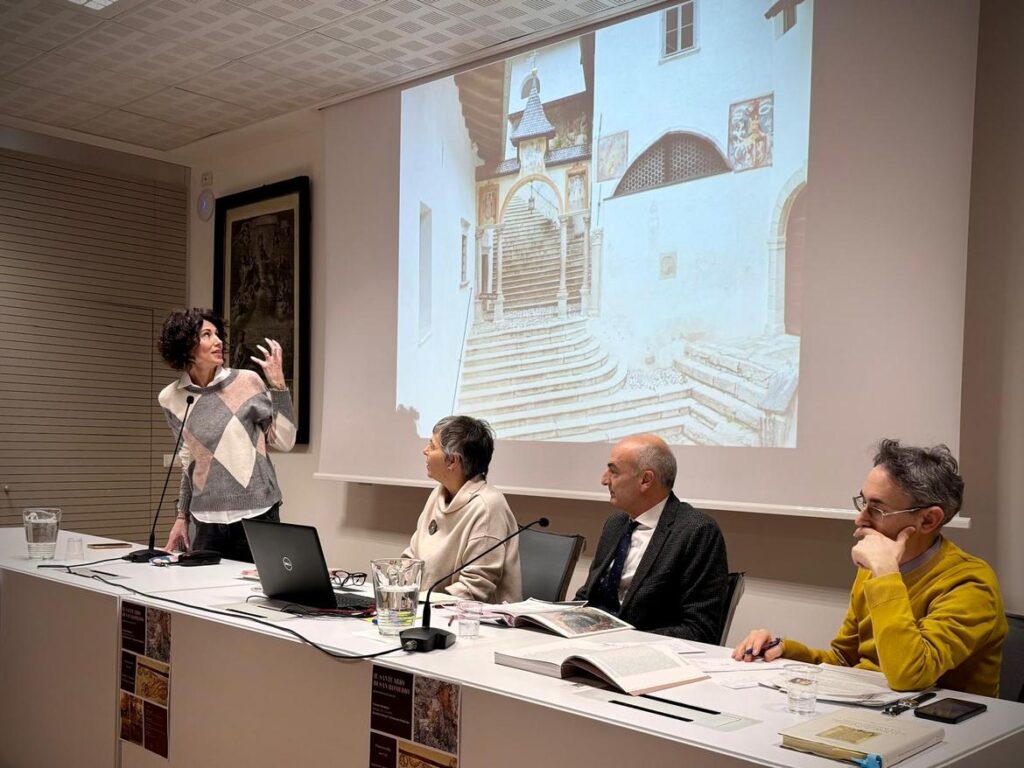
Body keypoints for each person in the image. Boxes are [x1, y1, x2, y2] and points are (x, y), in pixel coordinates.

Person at [733, 439, 1007, 696]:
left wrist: (886, 574)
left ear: (928, 520)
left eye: (877, 509)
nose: (860, 519)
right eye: (863, 502)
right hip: (875, 710)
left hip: (943, 726)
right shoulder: (875, 569)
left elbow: (911, 675)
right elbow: (844, 660)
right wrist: (783, 650)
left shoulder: (970, 583)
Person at [157, 308, 296, 562]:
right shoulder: (171, 398)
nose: (218, 341)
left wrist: (278, 386)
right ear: (185, 346)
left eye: (218, 334)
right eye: (207, 335)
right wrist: (181, 516)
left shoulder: (247, 381)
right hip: (206, 523)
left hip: (258, 514)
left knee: (261, 587)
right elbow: (189, 463)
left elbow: (284, 442)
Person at [575, 434, 728, 642]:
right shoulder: (616, 523)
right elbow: (588, 597)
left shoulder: (697, 531)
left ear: (646, 480)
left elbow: (700, 629)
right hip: (589, 643)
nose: (604, 480)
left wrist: (623, 641)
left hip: (641, 651)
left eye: (614, 471)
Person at [402, 416, 521, 603]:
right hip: (428, 609)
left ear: (452, 461)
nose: (425, 451)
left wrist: (423, 603)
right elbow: (412, 558)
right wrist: (396, 587)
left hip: (476, 618)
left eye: (432, 446)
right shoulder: (438, 494)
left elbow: (474, 588)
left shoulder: (488, 506)